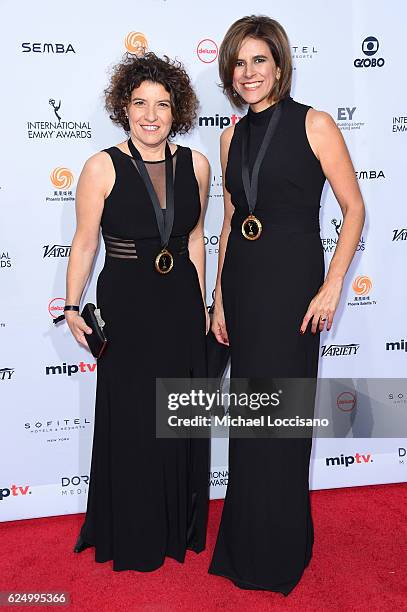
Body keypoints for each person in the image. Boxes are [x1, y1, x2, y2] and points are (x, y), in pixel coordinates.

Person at [208, 15, 365, 594]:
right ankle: (244, 545)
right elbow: (227, 223)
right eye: (239, 62)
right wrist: (219, 299)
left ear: (279, 65)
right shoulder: (229, 137)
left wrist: (332, 285)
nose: (248, 73)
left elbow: (354, 210)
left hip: (295, 282)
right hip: (245, 283)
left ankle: (281, 550)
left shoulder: (315, 123)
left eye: (259, 61)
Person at [64, 51, 211, 571]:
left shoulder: (196, 164)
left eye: (163, 105)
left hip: (180, 307)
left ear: (179, 111)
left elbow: (194, 238)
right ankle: (133, 528)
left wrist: (203, 306)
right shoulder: (100, 166)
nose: (151, 115)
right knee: (132, 417)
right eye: (140, 103)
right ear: (123, 108)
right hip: (126, 305)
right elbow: (84, 244)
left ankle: (177, 526)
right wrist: (72, 305)